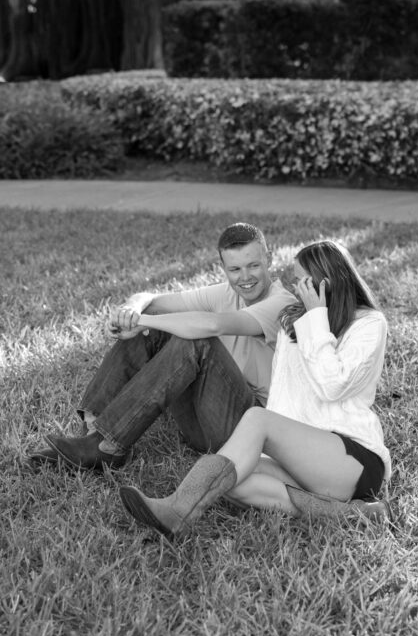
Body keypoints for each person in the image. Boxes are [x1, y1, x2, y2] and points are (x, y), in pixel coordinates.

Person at [118, 238, 391, 536]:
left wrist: (316, 318)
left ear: (327, 282)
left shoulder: (368, 323)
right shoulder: (295, 323)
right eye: (296, 281)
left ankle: (178, 509)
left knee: (256, 421)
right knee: (233, 480)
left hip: (352, 460)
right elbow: (284, 397)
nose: (297, 289)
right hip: (302, 459)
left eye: (303, 282)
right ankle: (354, 515)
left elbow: (332, 386)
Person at [29, 222, 296, 470]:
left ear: (269, 260)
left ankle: (107, 446)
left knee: (195, 339)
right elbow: (151, 298)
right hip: (203, 420)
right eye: (235, 269)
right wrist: (132, 309)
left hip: (246, 429)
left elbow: (212, 326)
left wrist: (144, 320)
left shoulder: (282, 304)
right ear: (223, 267)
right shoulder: (226, 293)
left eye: (253, 266)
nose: (245, 277)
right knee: (152, 332)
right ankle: (93, 432)